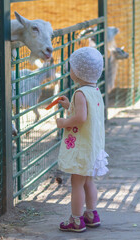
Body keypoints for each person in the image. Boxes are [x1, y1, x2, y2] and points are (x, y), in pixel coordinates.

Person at [55, 47, 109, 232]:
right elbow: (87, 114)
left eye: (71, 67)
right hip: (92, 146)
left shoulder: (80, 93)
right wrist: (68, 106)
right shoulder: (94, 91)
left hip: (81, 148)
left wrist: (63, 123)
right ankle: (92, 214)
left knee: (76, 183)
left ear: (77, 72)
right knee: (89, 181)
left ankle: (76, 220)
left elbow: (80, 118)